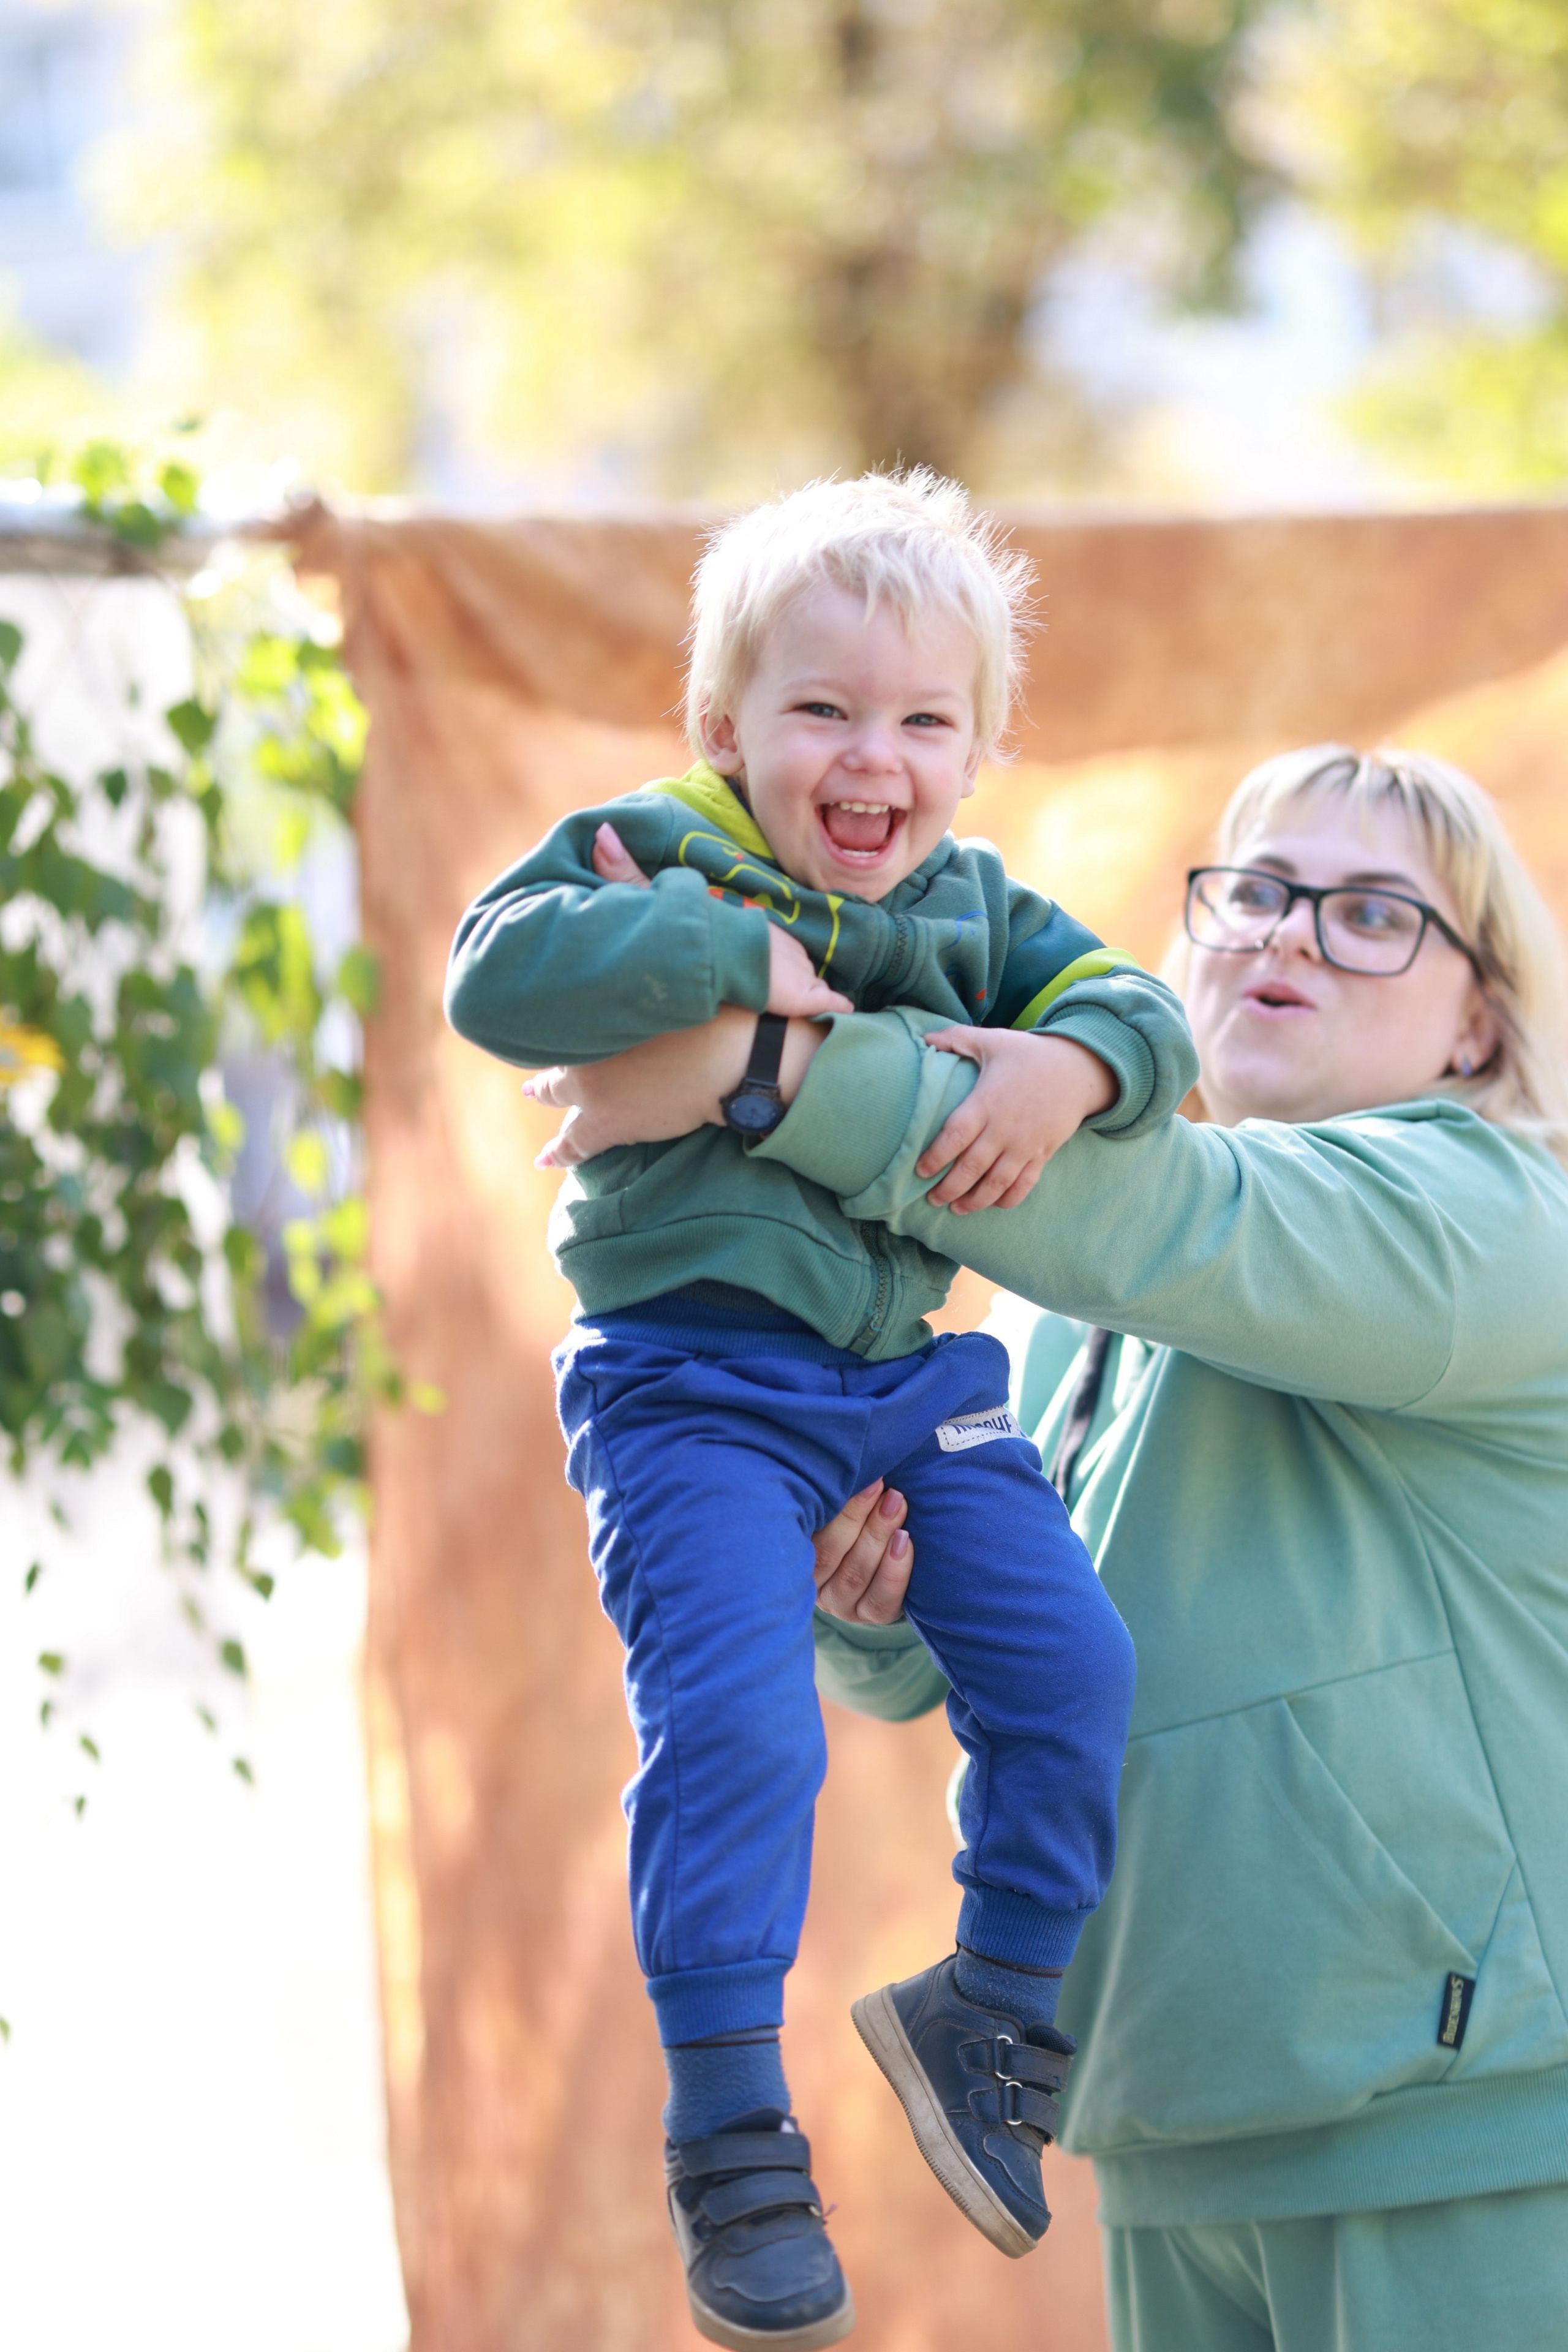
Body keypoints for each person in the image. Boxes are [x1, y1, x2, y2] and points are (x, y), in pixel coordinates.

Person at [527, 745, 1568, 2352]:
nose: (1290, 937)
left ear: (1479, 1017)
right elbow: (929, 1670)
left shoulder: (1488, 1212)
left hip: (1459, 2138)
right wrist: (860, 1597)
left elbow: (1172, 1219)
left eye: (1373, 914)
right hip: (1173, 2127)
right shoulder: (1072, 1304)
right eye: (1258, 895)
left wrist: (756, 1075)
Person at [443, 472, 1198, 2351]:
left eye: (924, 721)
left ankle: (996, 2002)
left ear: (982, 748)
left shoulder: (978, 908)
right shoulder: (654, 846)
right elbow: (495, 978)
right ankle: (728, 2128)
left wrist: (1068, 1061)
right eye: (822, 711)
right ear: (724, 727)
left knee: (1080, 1673)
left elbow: (1149, 1019)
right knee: (741, 1736)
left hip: (905, 1391)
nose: (875, 756)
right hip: (691, 1395)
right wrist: (717, 952)